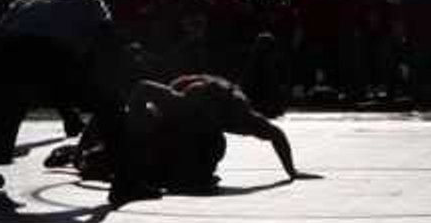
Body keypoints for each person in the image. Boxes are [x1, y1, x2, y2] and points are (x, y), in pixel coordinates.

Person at [0, 0, 157, 205]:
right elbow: (84, 57)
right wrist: (71, 110)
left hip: (2, 51)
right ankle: (125, 183)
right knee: (110, 105)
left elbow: (3, 36)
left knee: (4, 108)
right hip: (43, 49)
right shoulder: (94, 4)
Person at [52, 74, 316, 193]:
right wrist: (136, 127)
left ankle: (175, 166)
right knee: (103, 158)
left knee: (181, 168)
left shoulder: (236, 115)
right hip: (164, 122)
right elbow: (140, 89)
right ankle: (78, 153)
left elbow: (275, 134)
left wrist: (291, 172)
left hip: (192, 135)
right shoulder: (179, 101)